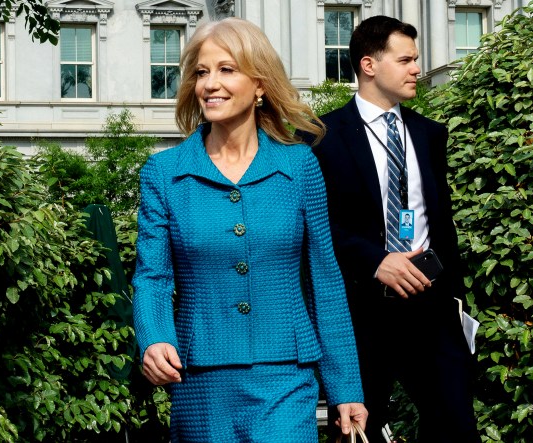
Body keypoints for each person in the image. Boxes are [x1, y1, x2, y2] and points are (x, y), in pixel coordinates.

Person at [132, 17, 367, 442]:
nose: (210, 84)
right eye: (201, 72)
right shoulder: (163, 173)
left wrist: (345, 386)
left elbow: (325, 280)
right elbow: (153, 276)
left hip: (286, 376)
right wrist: (154, 337)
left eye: (226, 69)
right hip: (201, 381)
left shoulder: (299, 166)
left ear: (260, 84)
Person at [303, 15, 480, 443]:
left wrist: (456, 302)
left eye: (415, 60)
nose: (416, 69)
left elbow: (441, 223)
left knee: (457, 427)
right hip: (361, 311)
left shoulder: (429, 133)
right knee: (357, 433)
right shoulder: (320, 137)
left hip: (431, 307)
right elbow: (315, 226)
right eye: (405, 60)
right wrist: (376, 261)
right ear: (369, 65)